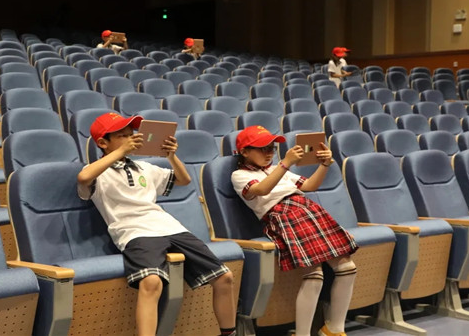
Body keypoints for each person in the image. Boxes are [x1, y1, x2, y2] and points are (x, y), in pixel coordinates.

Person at [78, 112, 237, 336]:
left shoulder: (144, 167)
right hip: (134, 232)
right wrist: (120, 152)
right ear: (103, 143)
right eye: (122, 136)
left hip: (170, 227)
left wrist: (171, 156)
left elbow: (183, 180)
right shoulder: (98, 172)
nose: (131, 138)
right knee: (151, 282)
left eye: (131, 134)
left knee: (224, 277)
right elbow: (84, 179)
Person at [231, 126, 358, 336]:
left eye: (271, 148)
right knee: (314, 274)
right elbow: (261, 190)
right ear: (244, 151)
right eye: (262, 148)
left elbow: (309, 186)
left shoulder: (278, 169)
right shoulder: (239, 175)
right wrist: (285, 163)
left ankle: (335, 329)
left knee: (347, 267)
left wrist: (324, 165)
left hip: (308, 210)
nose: (269, 153)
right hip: (282, 216)